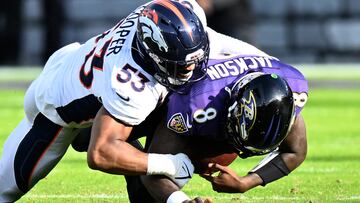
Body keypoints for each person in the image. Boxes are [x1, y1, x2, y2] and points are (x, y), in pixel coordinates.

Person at [0, 0, 225, 201]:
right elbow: (101, 154)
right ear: (152, 54)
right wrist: (168, 164)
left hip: (75, 60)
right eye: (181, 65)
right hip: (51, 107)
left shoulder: (180, 10)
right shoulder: (129, 81)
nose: (192, 69)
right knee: (3, 192)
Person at [127, 47, 309, 202]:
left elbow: (295, 151)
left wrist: (246, 182)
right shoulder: (197, 104)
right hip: (160, 75)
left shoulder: (290, 90)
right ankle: (123, 139)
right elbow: (151, 168)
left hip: (222, 70)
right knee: (143, 193)